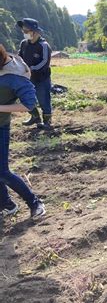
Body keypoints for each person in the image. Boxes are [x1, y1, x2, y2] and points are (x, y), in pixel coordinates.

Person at [0, 44, 46, 218]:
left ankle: (35, 203)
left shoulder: (15, 76)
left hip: (0, 125)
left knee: (2, 171)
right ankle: (7, 205)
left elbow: (29, 104)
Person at [17, 18, 53, 129]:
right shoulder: (24, 44)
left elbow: (44, 62)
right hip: (27, 77)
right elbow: (20, 57)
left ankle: (47, 122)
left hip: (41, 78)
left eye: (27, 31)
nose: (25, 33)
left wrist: (31, 69)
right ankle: (35, 117)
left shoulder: (44, 45)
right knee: (24, 97)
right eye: (23, 31)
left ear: (35, 32)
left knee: (43, 99)